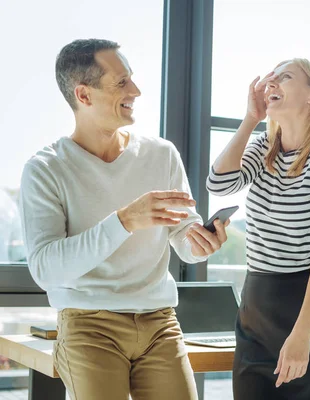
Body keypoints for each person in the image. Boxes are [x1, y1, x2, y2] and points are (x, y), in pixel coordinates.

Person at [19, 39, 229, 400]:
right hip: (88, 325)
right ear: (83, 95)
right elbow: (46, 267)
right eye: (121, 83)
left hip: (159, 321)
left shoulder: (161, 154)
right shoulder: (46, 169)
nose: (136, 90)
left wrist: (199, 242)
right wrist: (124, 221)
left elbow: (182, 234)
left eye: (131, 79)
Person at [207, 58, 310, 399]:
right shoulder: (262, 148)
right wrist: (251, 119)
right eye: (270, 78)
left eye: (284, 78)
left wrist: (302, 335)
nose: (271, 84)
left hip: (307, 314)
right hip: (256, 311)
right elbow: (217, 183)